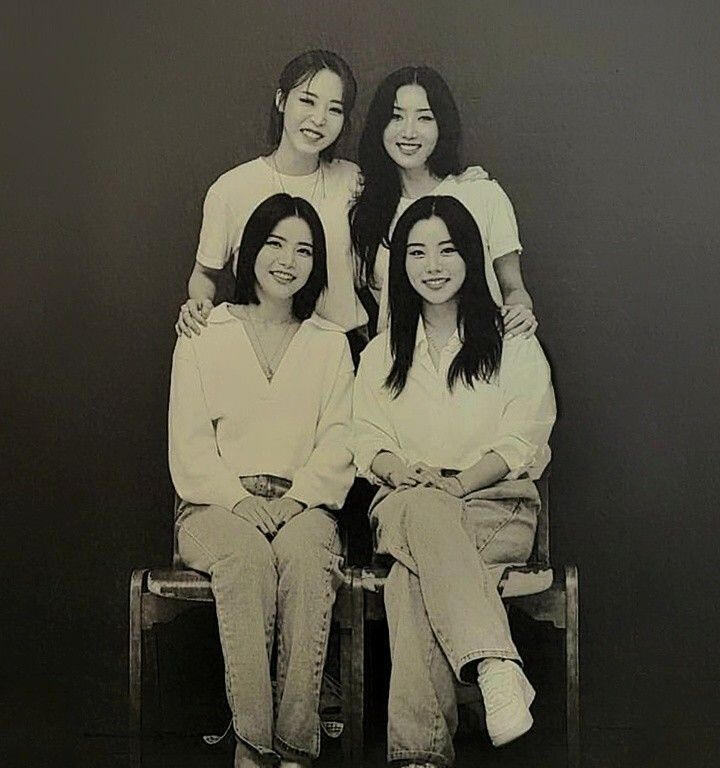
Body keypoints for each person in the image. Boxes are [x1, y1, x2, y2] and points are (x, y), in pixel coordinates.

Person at [352, 195, 556, 767]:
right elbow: (364, 438)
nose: (433, 265)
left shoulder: (511, 339)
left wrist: (460, 485)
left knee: (408, 581)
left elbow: (524, 436)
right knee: (421, 509)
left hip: (494, 503)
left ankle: (419, 758)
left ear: (470, 254)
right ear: (401, 264)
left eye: (447, 250)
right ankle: (495, 664)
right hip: (407, 500)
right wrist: (401, 471)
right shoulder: (381, 353)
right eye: (417, 252)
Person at [169, 193, 355, 768]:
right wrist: (238, 501)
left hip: (305, 507)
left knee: (307, 558)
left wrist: (296, 501)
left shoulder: (330, 344)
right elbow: (189, 445)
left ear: (316, 264)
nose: (287, 261)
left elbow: (340, 441)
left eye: (304, 250)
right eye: (275, 243)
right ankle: (252, 749)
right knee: (247, 559)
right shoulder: (205, 331)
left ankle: (295, 749)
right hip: (213, 509)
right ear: (250, 249)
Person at [176, 49, 367, 338]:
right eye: (307, 101)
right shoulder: (232, 188)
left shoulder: (353, 180)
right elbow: (205, 273)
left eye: (334, 109)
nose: (319, 119)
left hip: (344, 344)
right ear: (281, 100)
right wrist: (198, 304)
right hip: (263, 344)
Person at [350, 66, 537, 339]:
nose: (409, 132)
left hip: (480, 351)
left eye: (424, 117)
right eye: (396, 117)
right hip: (403, 360)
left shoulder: (482, 194)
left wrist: (520, 311)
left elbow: (513, 289)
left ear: (442, 125)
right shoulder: (365, 210)